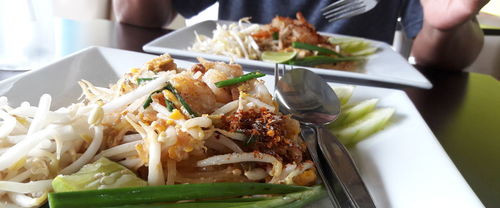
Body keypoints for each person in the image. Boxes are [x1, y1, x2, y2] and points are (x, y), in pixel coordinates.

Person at [112, 0, 489, 71]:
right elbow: (139, 15)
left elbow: (443, 58)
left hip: (349, 102)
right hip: (237, 81)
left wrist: (446, 23)